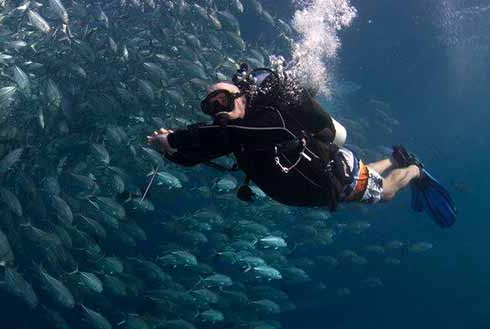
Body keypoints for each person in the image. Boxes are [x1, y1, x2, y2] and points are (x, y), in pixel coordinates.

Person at [147, 66, 456, 226]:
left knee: (386, 193)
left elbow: (242, 134)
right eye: (210, 107)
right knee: (365, 173)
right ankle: (392, 159)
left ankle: (414, 169)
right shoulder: (230, 133)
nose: (219, 110)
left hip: (335, 178)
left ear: (241, 96)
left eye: (223, 100)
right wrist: (171, 152)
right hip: (318, 186)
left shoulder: (268, 117)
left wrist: (175, 138)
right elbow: (196, 155)